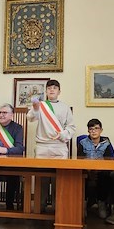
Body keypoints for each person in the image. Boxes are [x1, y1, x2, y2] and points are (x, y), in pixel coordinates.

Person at [27, 79, 75, 209]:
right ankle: (40, 207)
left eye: (54, 88)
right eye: (49, 88)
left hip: (59, 146)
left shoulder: (65, 108)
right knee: (41, 178)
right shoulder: (41, 105)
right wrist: (36, 108)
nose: (52, 90)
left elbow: (71, 127)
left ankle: (57, 207)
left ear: (59, 91)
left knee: (58, 179)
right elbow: (31, 118)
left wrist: (63, 134)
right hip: (42, 146)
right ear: (46, 91)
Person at [77, 118, 114, 218]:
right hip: (86, 169)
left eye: (96, 128)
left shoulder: (106, 143)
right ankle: (83, 204)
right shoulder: (82, 142)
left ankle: (102, 203)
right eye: (91, 129)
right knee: (81, 176)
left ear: (101, 130)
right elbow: (79, 159)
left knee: (105, 176)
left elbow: (111, 159)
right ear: (88, 131)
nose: (94, 131)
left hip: (102, 170)